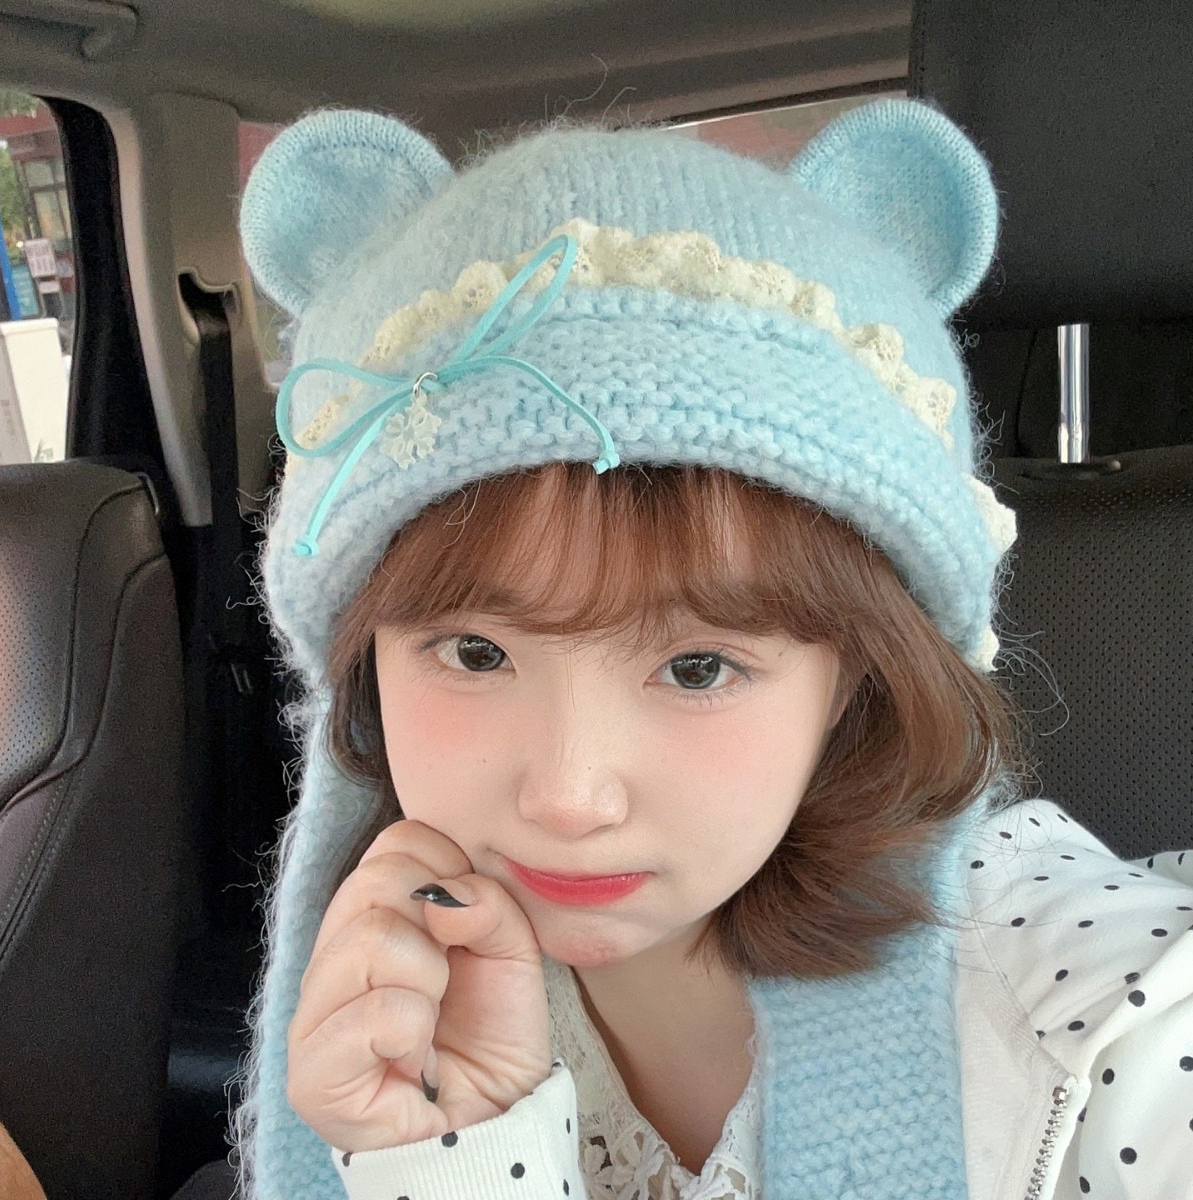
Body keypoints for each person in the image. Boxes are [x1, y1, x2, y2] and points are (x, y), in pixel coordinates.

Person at [227, 99, 1193, 1200]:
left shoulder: (1107, 1037)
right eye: (476, 653)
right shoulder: (391, 1000)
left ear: (854, 679)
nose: (569, 798)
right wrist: (451, 1156)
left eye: (698, 667)